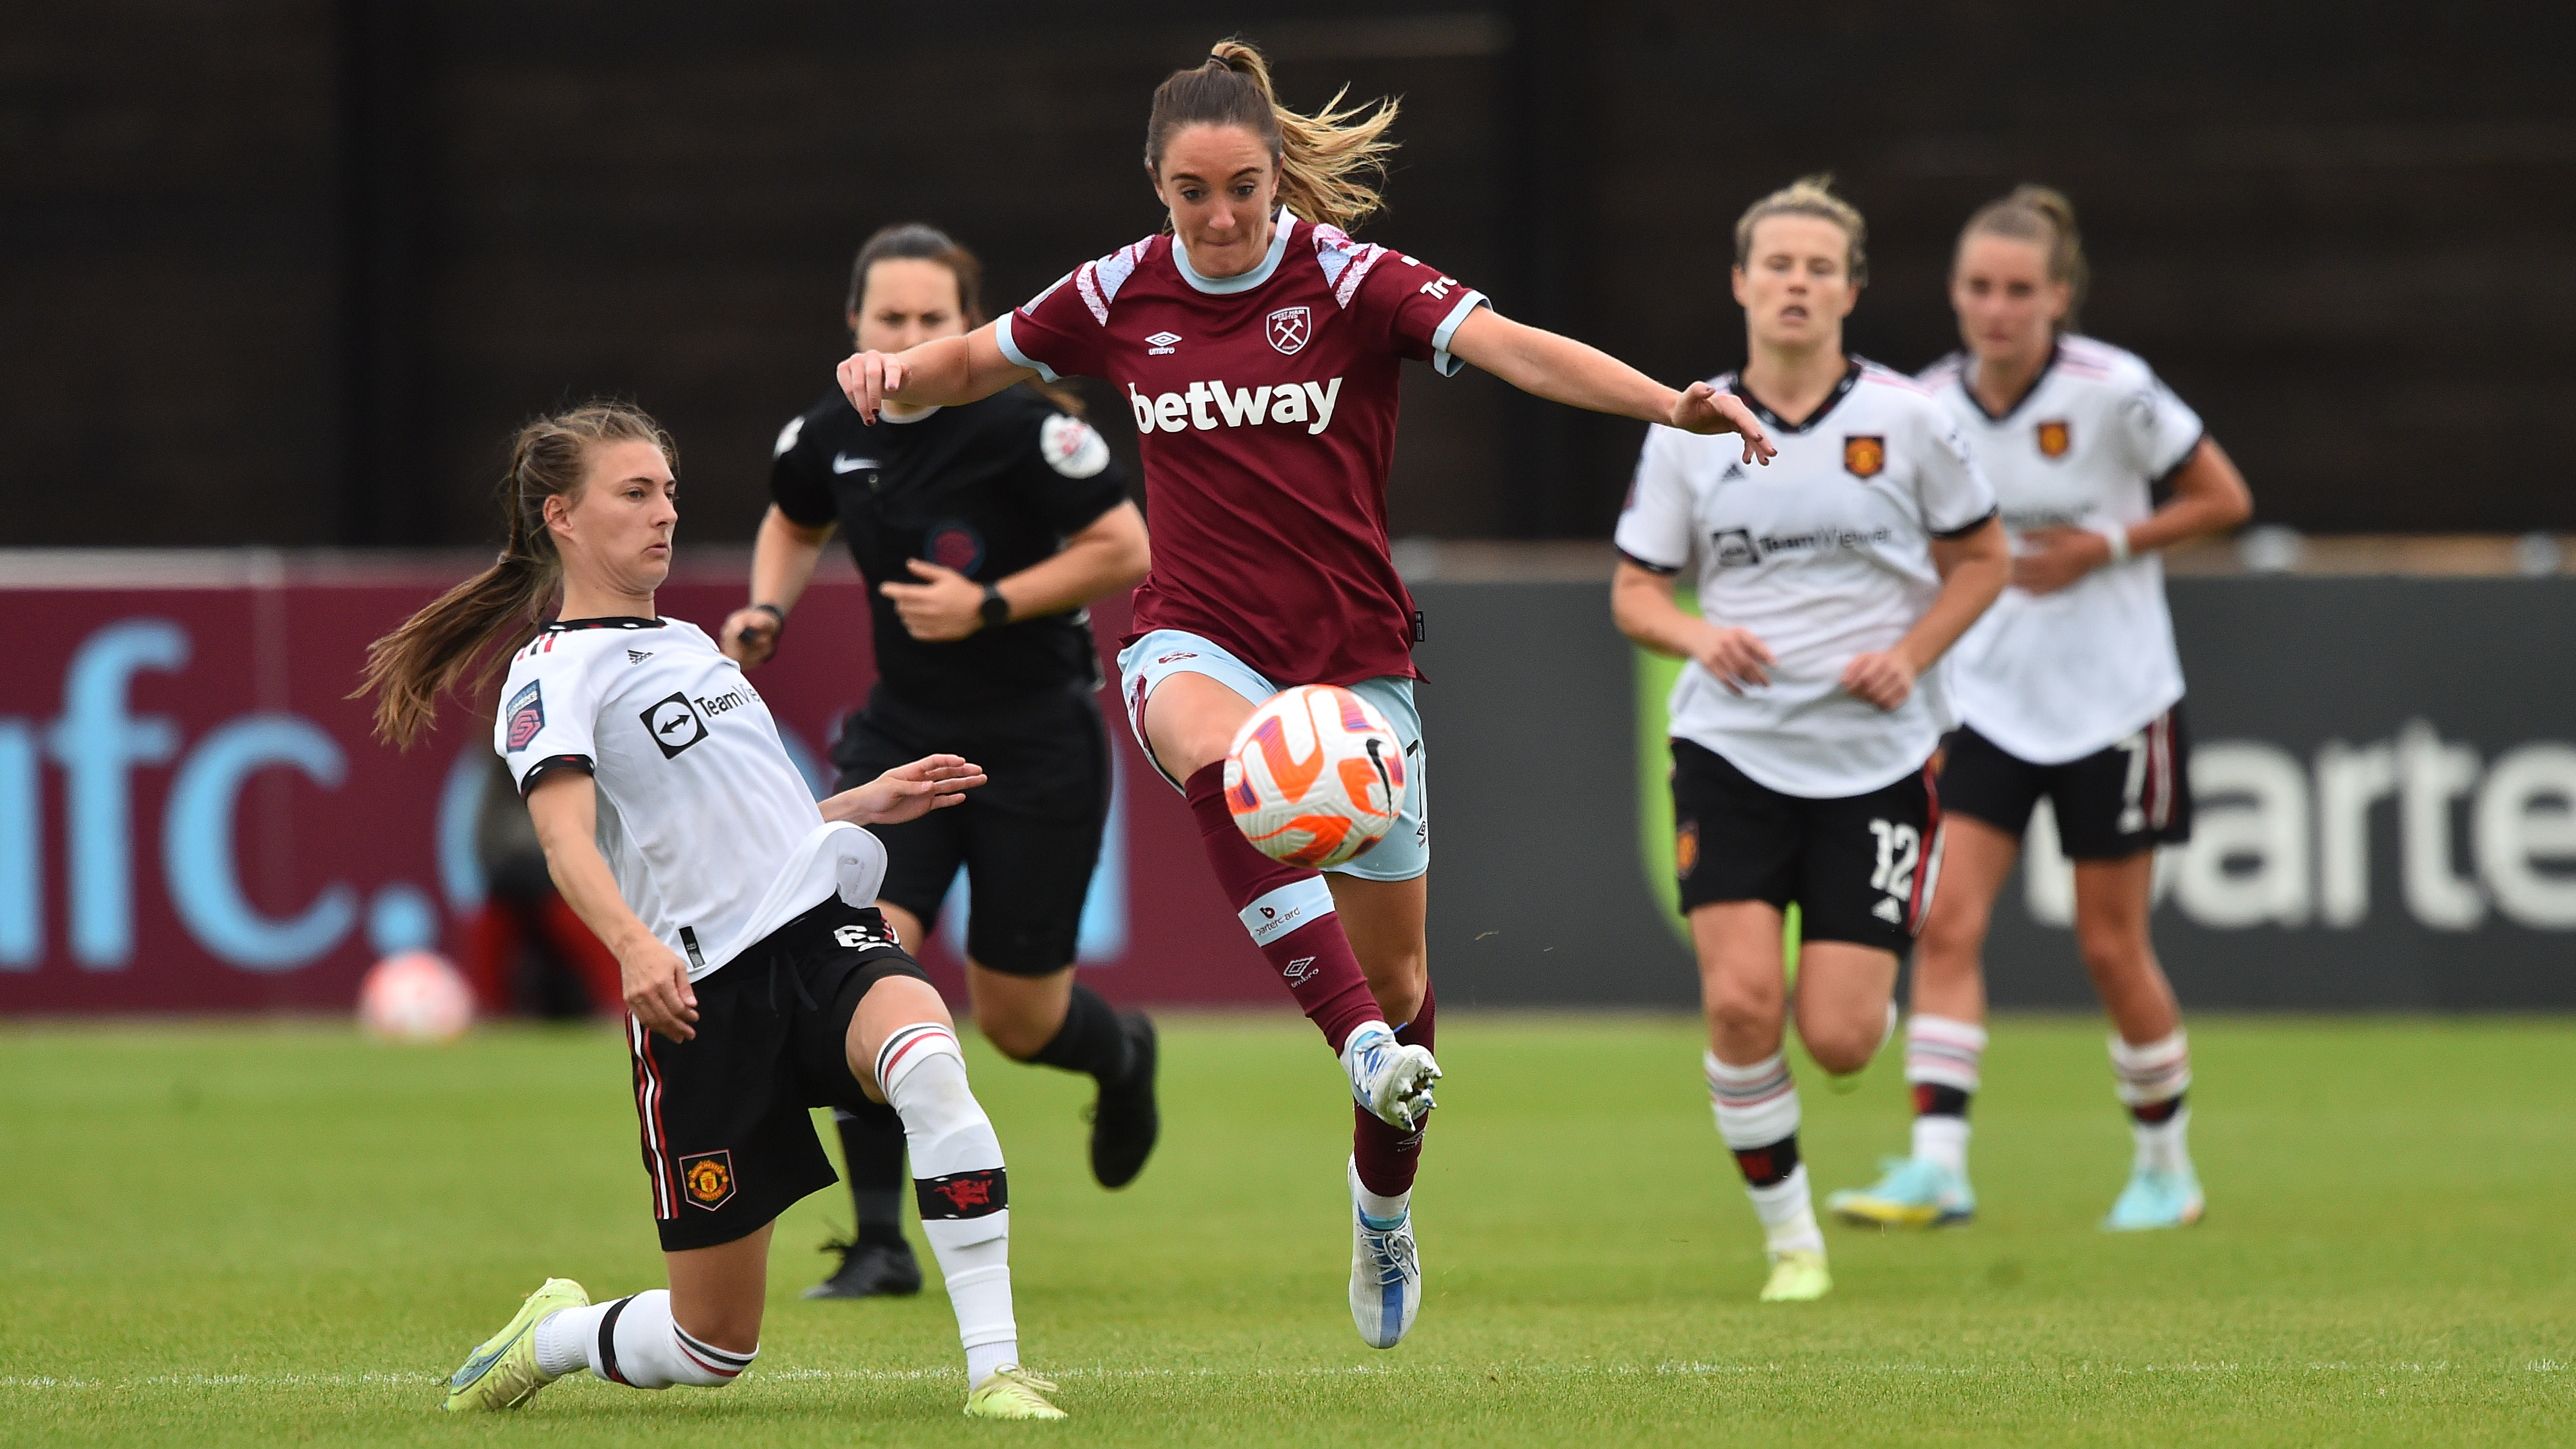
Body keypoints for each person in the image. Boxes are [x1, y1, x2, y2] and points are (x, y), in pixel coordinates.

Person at [833, 41, 1773, 1348]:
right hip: (1194, 637)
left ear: (1280, 177)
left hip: (1356, 662)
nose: (1218, 219)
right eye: (1190, 193)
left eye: (1242, 190)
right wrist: (891, 372)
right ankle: (1357, 1050)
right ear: (1154, 186)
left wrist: (1668, 404)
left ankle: (1381, 1208)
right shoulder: (1119, 292)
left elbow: (1515, 351)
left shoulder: (1349, 279)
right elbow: (978, 357)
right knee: (1223, 756)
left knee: (1404, 985)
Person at [357, 402, 1067, 1420]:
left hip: (819, 934)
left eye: (670, 493)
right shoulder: (552, 674)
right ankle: (556, 1333)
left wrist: (857, 806)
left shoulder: (692, 641)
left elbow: (747, 827)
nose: (665, 514)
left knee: (930, 1066)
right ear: (562, 515)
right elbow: (564, 842)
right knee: (711, 1348)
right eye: (635, 493)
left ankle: (995, 1372)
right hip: (703, 998)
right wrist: (634, 946)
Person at [719, 222, 1156, 1302]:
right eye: (889, 318)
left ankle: (1123, 1056)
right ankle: (879, 1243)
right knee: (865, 967)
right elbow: (791, 516)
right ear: (854, 326)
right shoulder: (829, 430)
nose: (908, 336)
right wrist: (767, 608)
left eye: (931, 320)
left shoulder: (1025, 425)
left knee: (1017, 1021)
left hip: (1037, 743)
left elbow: (1126, 549)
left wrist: (990, 603)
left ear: (966, 327)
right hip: (899, 739)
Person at [1611, 177, 2009, 1303]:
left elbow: (1984, 561)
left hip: (1876, 757)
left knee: (1839, 1039)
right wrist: (1699, 636)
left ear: (1852, 289)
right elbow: (1635, 595)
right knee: (1741, 1002)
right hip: (1732, 752)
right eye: (1775, 264)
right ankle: (1792, 1241)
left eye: (1818, 266)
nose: (1796, 282)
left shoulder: (1913, 421)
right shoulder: (1692, 430)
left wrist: (1913, 653)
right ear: (1741, 283)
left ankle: (1859, 1019)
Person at [1826, 187, 2252, 1234]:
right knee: (1948, 919)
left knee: (2111, 946)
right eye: (1979, 287)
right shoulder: (1926, 406)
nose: (1998, 308)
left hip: (2116, 700)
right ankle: (1940, 1166)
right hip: (1984, 703)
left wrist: (2102, 547)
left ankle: (2165, 1170)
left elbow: (2224, 499)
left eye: (2021, 290)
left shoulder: (2115, 392)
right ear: (1956, 295)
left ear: (2059, 297)